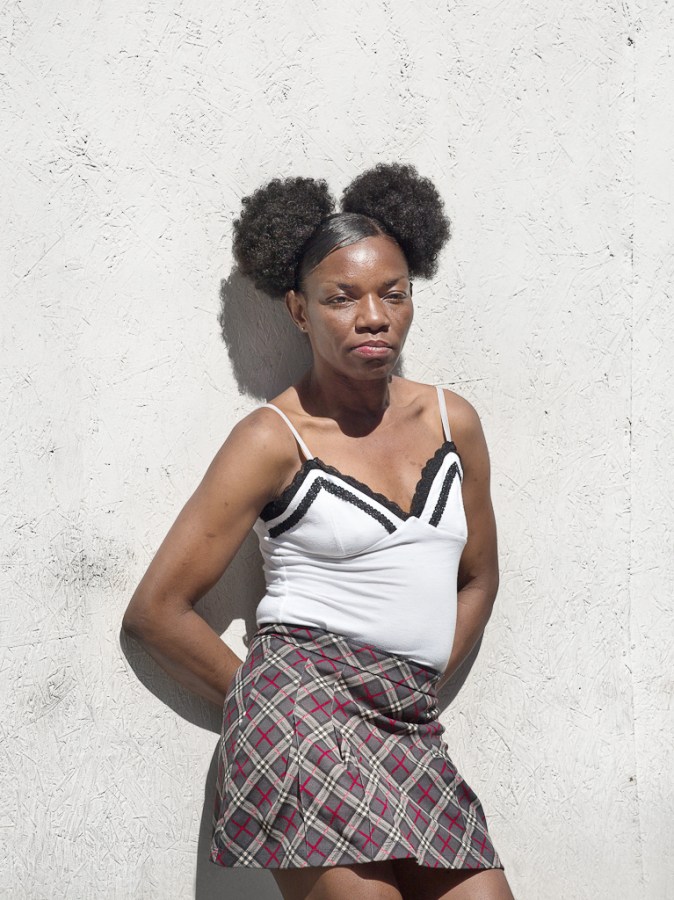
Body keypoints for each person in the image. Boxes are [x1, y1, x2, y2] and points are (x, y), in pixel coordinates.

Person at [122, 163, 515, 900]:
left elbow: (479, 576)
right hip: (302, 717)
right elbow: (156, 613)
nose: (374, 316)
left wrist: (419, 681)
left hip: (407, 722)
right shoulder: (273, 438)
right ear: (299, 311)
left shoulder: (452, 420)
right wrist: (273, 703)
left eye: (392, 293)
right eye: (342, 298)